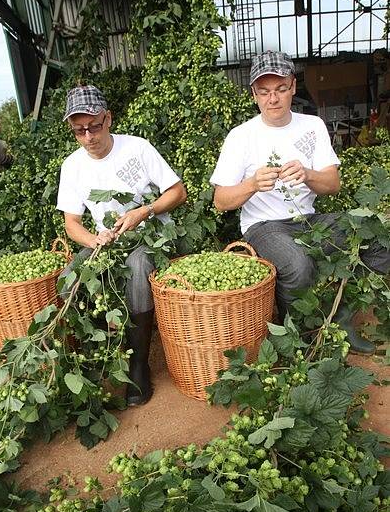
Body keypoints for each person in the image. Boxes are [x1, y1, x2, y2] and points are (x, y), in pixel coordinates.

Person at [211, 50, 390, 354]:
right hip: (263, 226)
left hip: (308, 221)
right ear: (254, 94)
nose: (273, 99)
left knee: (379, 235)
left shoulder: (313, 126)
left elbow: (332, 184)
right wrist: (253, 184)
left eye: (281, 89)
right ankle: (300, 338)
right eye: (265, 92)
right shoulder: (240, 137)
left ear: (293, 86)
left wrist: (307, 174)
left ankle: (342, 317)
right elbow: (220, 201)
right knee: (297, 264)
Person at [56, 84, 187, 405]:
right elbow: (71, 223)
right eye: (79, 131)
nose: (88, 137)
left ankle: (138, 363)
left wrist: (145, 210)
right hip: (109, 242)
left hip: (151, 238)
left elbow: (178, 192)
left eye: (94, 126)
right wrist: (94, 238)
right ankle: (98, 351)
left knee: (138, 266)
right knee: (68, 279)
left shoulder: (138, 149)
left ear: (109, 118)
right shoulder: (72, 166)